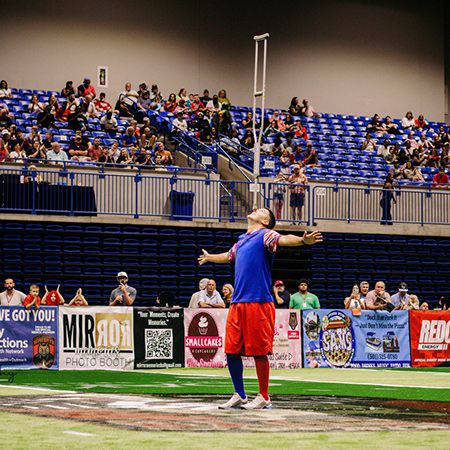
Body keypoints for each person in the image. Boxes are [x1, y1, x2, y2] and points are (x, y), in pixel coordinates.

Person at [198, 209, 323, 409]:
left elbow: (283, 239)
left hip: (259, 302)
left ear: (265, 221)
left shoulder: (266, 235)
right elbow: (228, 256)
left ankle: (264, 396)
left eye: (261, 211)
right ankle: (240, 394)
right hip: (237, 303)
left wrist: (302, 241)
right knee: (231, 350)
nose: (256, 209)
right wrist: (210, 257)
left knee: (259, 351)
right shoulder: (241, 241)